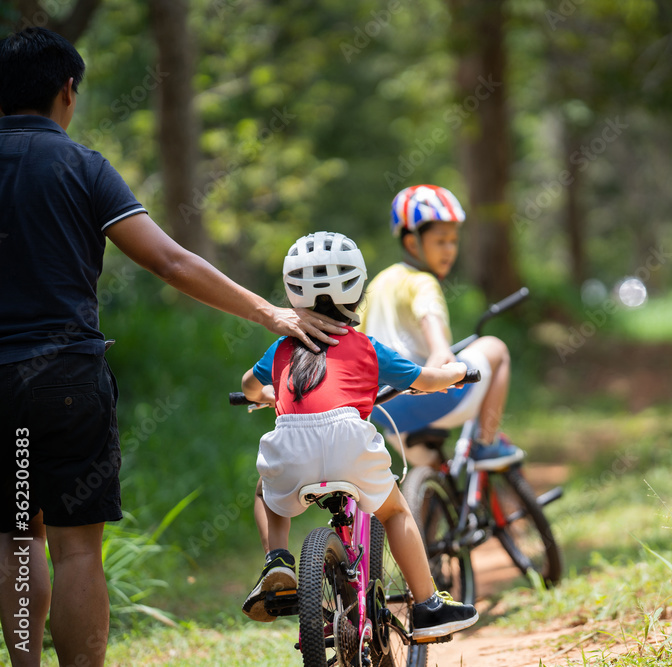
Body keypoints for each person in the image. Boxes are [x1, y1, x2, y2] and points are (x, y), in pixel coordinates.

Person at [0, 28, 347, 667]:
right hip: (67, 380)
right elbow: (168, 261)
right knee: (75, 548)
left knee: (17, 539)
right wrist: (268, 312)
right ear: (66, 92)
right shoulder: (82, 166)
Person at [239, 232, 479, 638]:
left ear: (292, 291)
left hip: (290, 441)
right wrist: (458, 372)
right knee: (396, 511)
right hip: (348, 439)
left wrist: (265, 394)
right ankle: (427, 607)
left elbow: (247, 383)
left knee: (267, 489)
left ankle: (277, 559)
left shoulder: (281, 347)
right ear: (357, 288)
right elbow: (426, 378)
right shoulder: (366, 346)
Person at [358, 184, 524, 469]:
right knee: (496, 348)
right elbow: (433, 328)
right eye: (441, 241)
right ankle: (486, 444)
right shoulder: (422, 282)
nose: (449, 250)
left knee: (436, 481)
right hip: (432, 398)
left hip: (385, 413)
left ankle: (432, 500)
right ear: (413, 243)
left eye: (453, 240)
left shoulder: (378, 283)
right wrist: (440, 353)